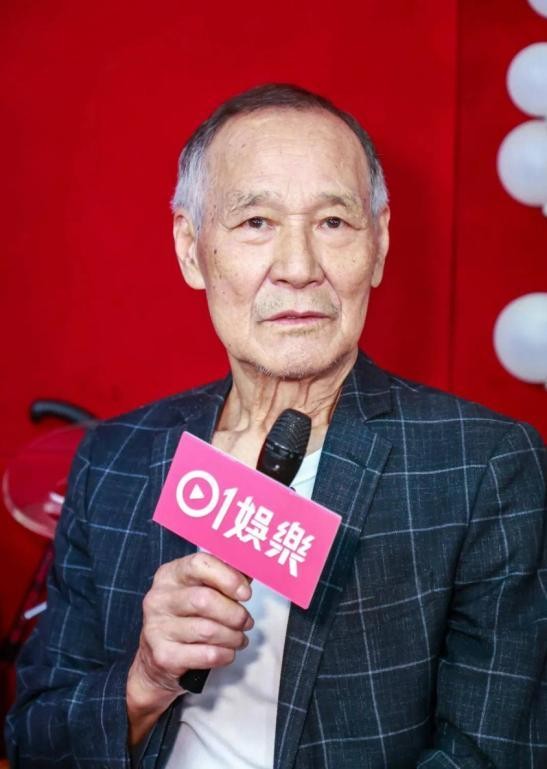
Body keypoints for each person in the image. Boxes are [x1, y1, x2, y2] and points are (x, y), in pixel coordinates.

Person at [6, 83, 546, 769]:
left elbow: (491, 753)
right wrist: (144, 680)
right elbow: (34, 739)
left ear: (379, 243)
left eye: (333, 222)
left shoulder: (483, 467)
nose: (297, 269)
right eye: (256, 221)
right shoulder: (115, 459)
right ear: (190, 248)